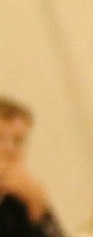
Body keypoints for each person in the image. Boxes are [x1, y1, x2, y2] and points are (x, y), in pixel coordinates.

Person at [0, 99, 62, 237]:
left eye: (18, 141)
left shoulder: (19, 199)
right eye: (0, 137)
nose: (10, 149)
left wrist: (39, 209)